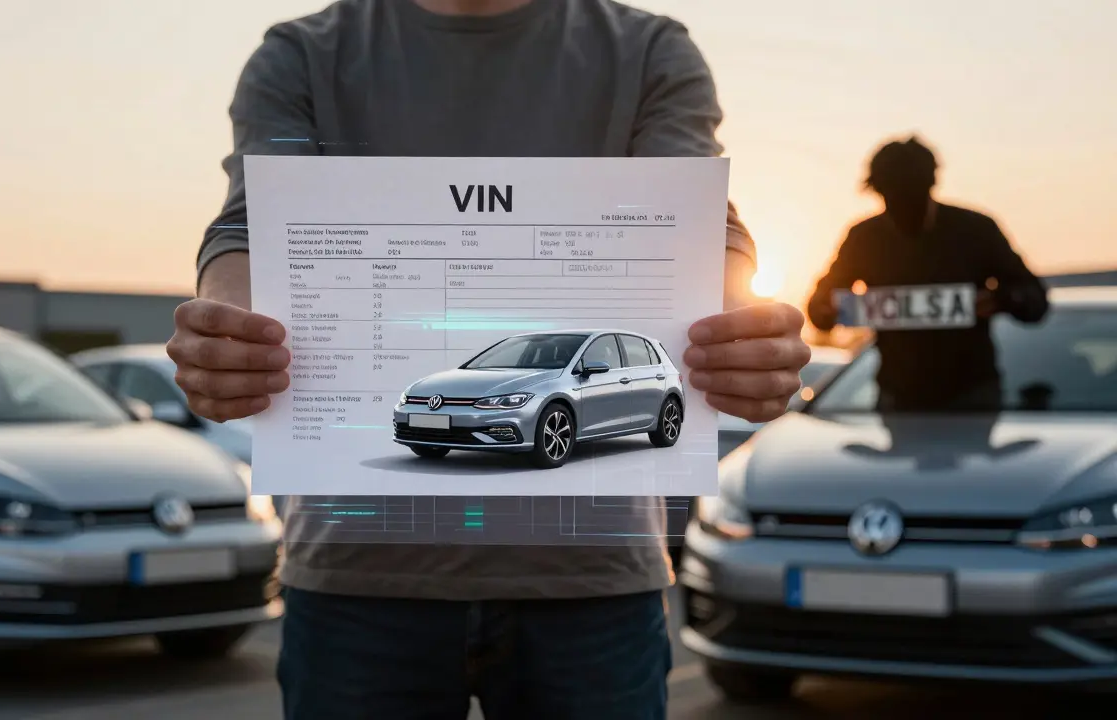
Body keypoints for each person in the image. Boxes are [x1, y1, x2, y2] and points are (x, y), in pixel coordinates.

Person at [167, 1, 810, 717]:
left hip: (589, 578)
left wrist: (741, 334)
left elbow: (696, 222)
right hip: (359, 576)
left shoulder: (650, 50)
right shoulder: (302, 54)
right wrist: (225, 332)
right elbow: (253, 223)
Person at [808, 136, 1049, 412]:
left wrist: (1001, 299)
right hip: (898, 393)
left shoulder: (975, 230)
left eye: (909, 196)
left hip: (971, 392)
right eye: (892, 197)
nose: (900, 209)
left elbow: (1036, 301)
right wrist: (829, 306)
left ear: (930, 185)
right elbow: (818, 310)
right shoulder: (864, 238)